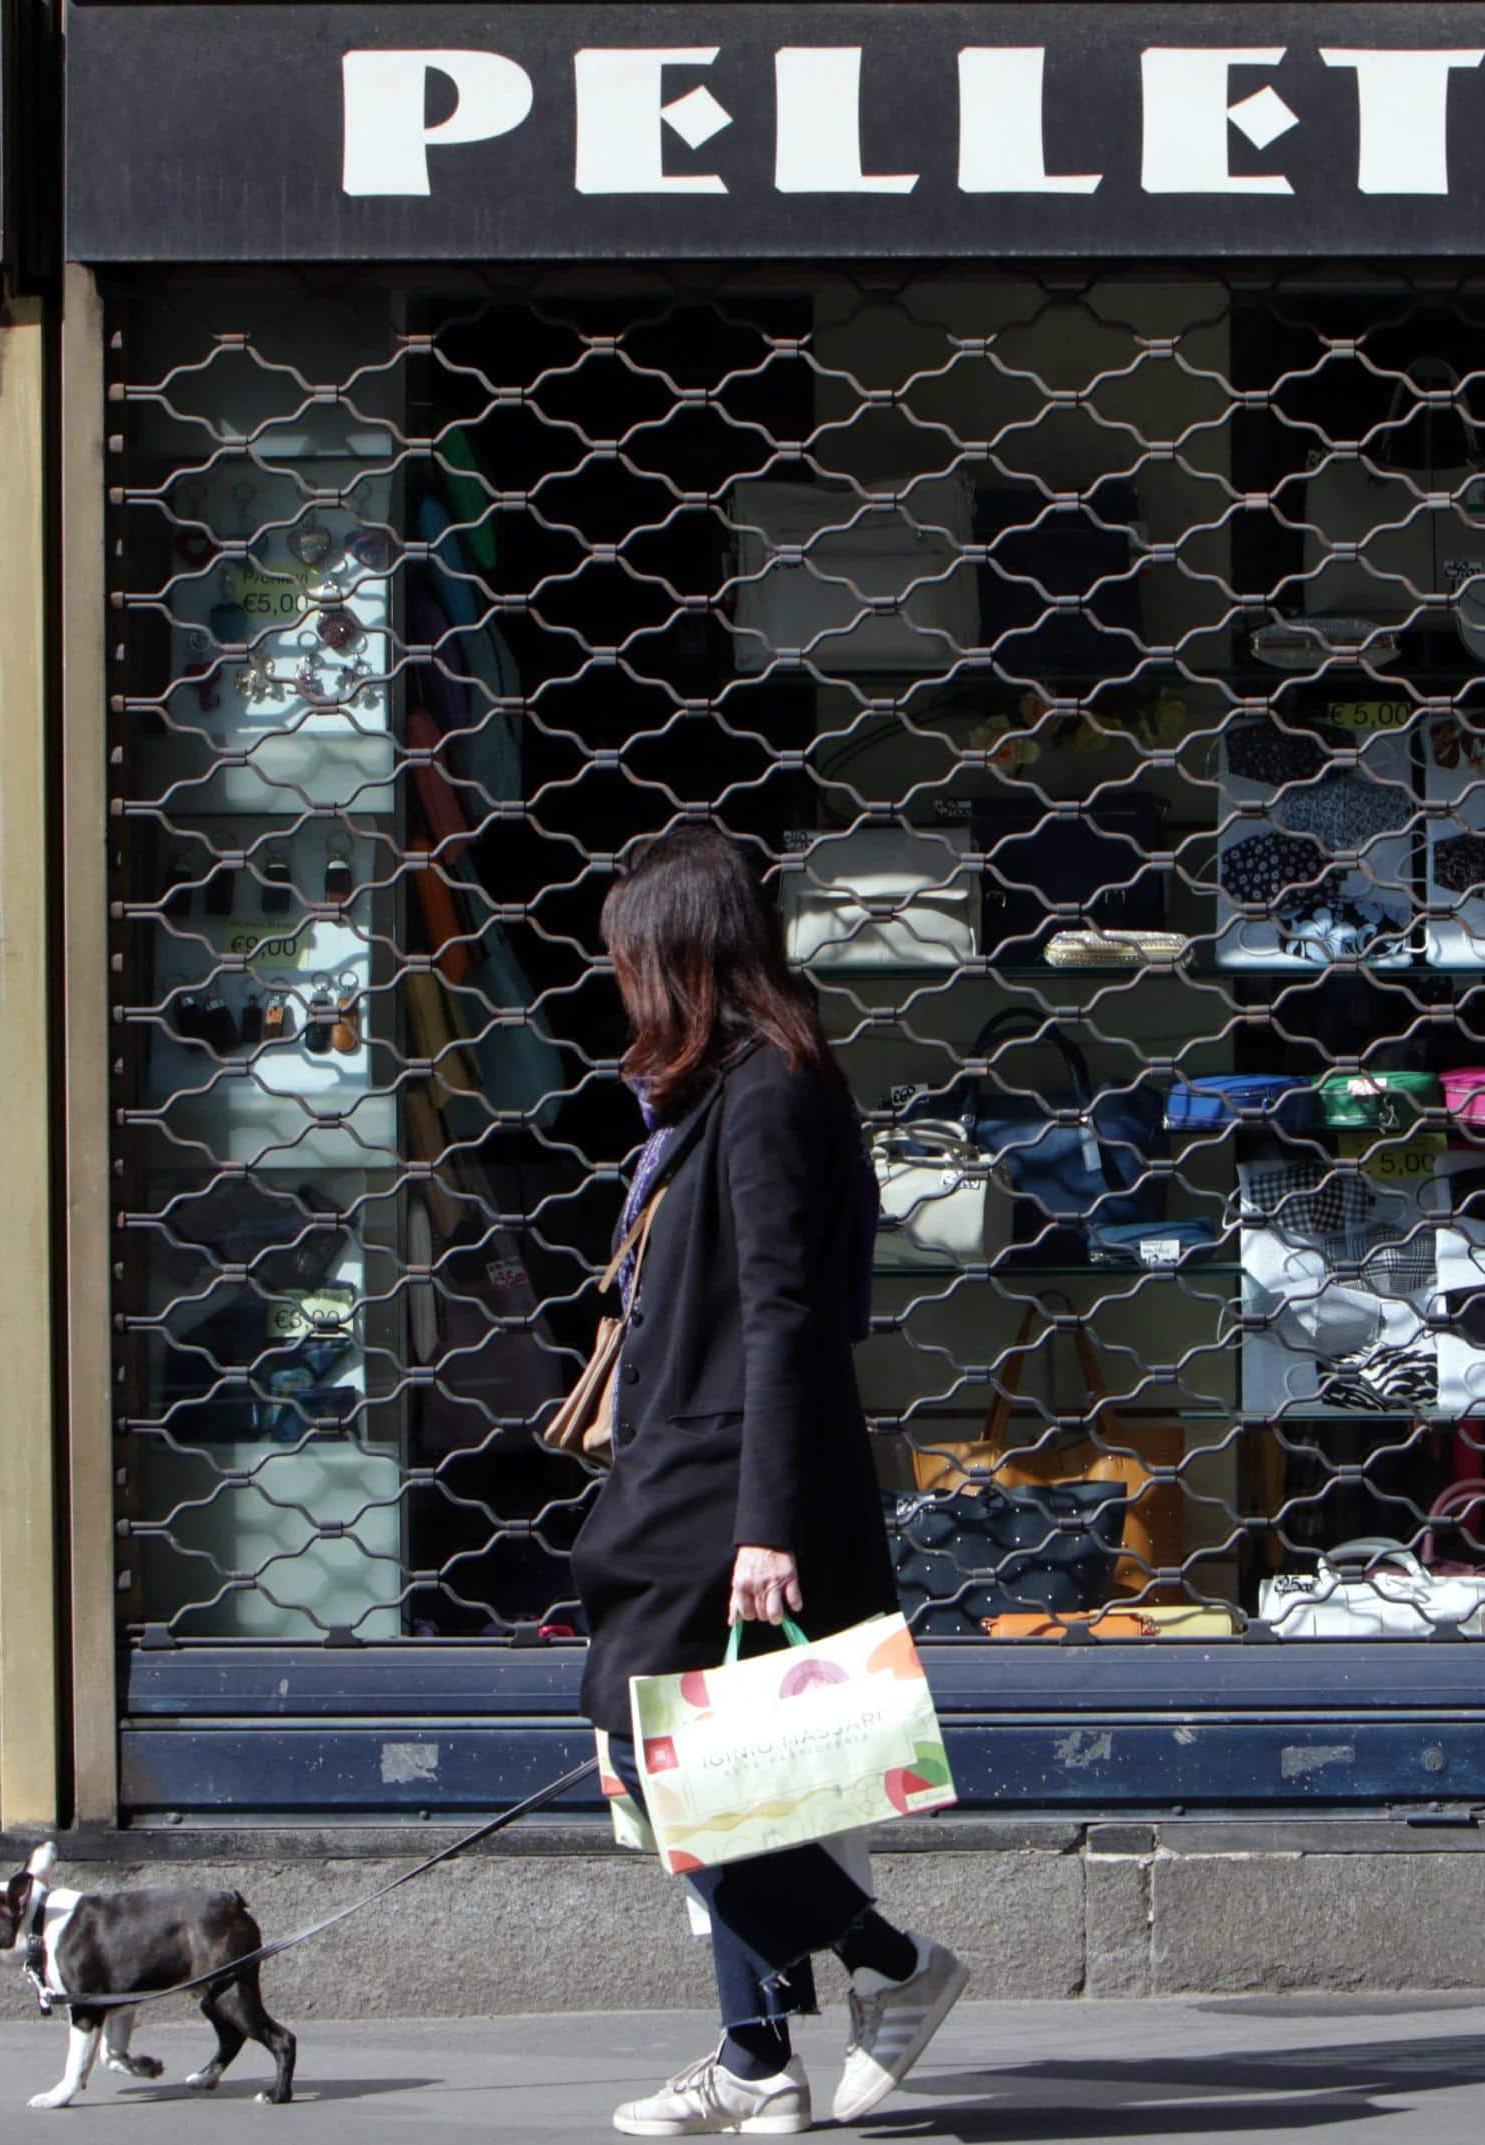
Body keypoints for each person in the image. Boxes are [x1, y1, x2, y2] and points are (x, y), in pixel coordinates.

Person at [570, 827, 969, 2138]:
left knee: (656, 1753)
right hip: (693, 1467)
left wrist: (765, 1527)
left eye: (633, 961)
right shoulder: (723, 1090)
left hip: (727, 1482)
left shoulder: (766, 1092)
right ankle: (756, 2062)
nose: (622, 986)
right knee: (719, 1771)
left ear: (680, 957)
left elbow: (788, 1314)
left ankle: (892, 1969)